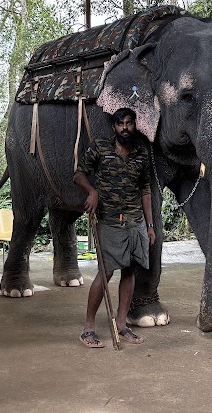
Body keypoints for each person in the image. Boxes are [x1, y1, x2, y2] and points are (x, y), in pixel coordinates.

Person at [74, 108, 155, 348]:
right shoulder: (100, 147)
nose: (125, 128)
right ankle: (88, 329)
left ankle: (121, 325)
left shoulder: (141, 155)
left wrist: (149, 225)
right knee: (106, 271)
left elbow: (145, 190)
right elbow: (78, 174)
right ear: (114, 127)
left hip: (135, 222)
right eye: (121, 124)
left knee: (129, 271)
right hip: (109, 220)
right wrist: (92, 191)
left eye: (129, 123)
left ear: (134, 125)